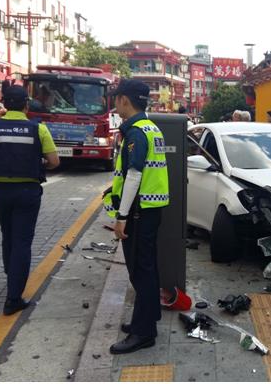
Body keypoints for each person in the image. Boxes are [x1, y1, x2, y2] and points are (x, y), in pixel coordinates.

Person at [0, 85, 59, 315]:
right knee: (22, 240)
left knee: (8, 235)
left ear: (4, 104)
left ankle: (10, 274)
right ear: (26, 105)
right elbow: (54, 161)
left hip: (0, 191)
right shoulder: (38, 129)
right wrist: (39, 163)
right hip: (27, 192)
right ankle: (14, 298)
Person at [103, 79, 170, 354]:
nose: (115, 104)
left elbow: (134, 175)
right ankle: (148, 318)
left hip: (138, 213)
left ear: (125, 100)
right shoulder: (150, 127)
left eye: (116, 98)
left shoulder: (136, 133)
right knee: (146, 267)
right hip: (149, 211)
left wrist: (122, 216)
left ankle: (143, 334)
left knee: (140, 271)